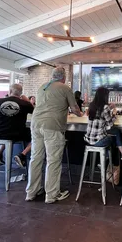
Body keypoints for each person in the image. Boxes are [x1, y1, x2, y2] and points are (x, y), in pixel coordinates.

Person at [26, 67, 82, 204]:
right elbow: (74, 109)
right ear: (64, 77)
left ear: (52, 76)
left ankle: (31, 192)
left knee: (36, 158)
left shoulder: (42, 87)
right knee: (53, 160)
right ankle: (51, 195)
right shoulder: (65, 88)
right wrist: (80, 114)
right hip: (53, 126)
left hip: (35, 124)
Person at [0, 84, 34, 167]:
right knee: (37, 136)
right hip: (16, 134)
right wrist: (27, 100)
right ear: (20, 93)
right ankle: (22, 155)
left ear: (10, 91)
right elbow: (37, 112)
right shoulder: (25, 104)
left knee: (7, 131)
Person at [84, 87, 122, 157]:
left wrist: (110, 108)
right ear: (105, 96)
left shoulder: (91, 105)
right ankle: (111, 160)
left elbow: (101, 116)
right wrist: (114, 114)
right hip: (98, 140)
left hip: (88, 139)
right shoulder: (105, 107)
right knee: (113, 137)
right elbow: (110, 124)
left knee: (114, 132)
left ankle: (105, 162)